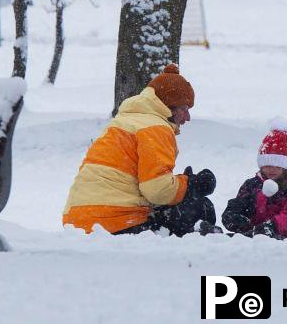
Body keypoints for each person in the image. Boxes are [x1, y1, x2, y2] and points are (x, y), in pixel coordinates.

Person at [62, 63, 217, 236]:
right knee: (199, 207)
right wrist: (191, 184)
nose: (187, 117)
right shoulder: (156, 127)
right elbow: (157, 190)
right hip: (116, 220)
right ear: (169, 106)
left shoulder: (122, 122)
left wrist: (181, 182)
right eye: (184, 109)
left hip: (77, 220)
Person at [221, 122, 287, 240]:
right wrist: (233, 216)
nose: (271, 169)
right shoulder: (251, 185)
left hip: (284, 238)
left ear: (286, 168)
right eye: (267, 165)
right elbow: (239, 204)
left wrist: (273, 226)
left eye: (277, 166)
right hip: (253, 235)